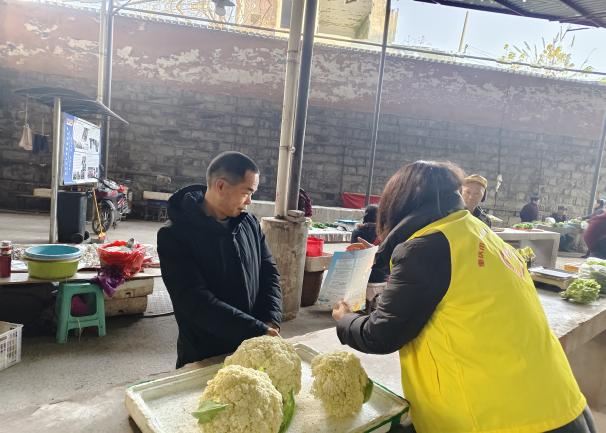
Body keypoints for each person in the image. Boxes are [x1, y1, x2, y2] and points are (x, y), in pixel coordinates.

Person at [333, 161, 594, 433]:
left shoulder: (425, 249)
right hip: (560, 406)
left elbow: (381, 334)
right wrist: (380, 260)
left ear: (398, 203)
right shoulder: (478, 233)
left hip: (503, 421)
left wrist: (345, 319)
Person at [157, 151, 282, 368]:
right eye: (247, 192)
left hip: (251, 347)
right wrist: (256, 331)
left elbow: (268, 272)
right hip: (204, 354)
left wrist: (271, 319)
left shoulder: (249, 223)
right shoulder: (175, 234)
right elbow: (194, 301)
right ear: (221, 186)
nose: (249, 201)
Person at [351, 205, 386, 283]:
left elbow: (352, 252)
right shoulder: (384, 232)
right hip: (379, 275)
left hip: (359, 273)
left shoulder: (357, 231)